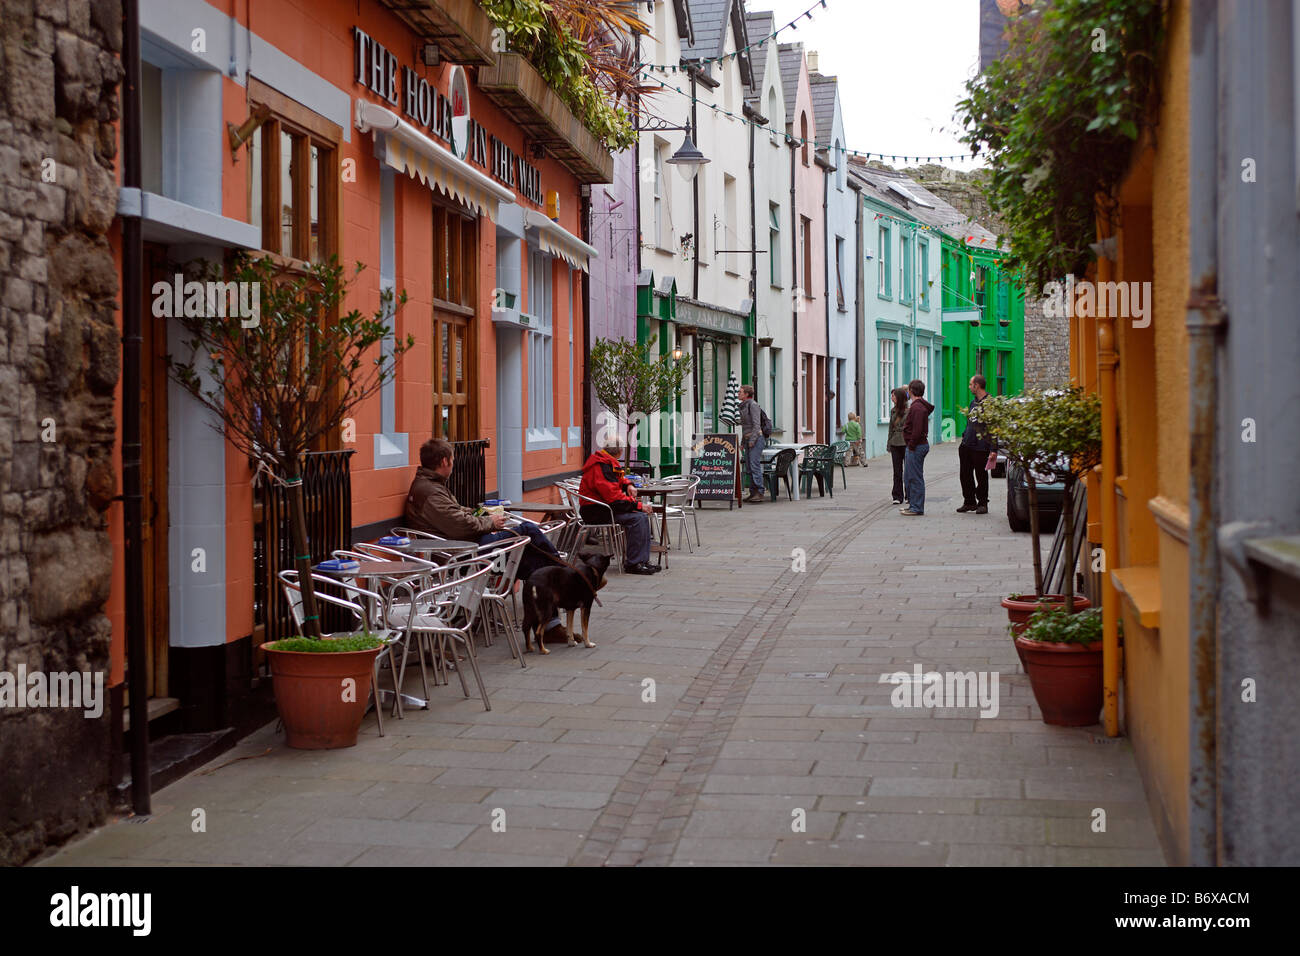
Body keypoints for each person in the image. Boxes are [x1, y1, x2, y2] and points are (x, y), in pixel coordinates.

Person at [405, 437, 566, 583]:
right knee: (528, 530)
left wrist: (481, 513)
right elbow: (459, 524)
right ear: (445, 461)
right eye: (453, 460)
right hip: (462, 553)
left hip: (463, 546)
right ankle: (563, 576)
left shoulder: (430, 485)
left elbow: (455, 512)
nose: (454, 465)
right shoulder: (430, 491)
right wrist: (490, 522)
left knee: (525, 559)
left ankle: (550, 586)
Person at [579, 442, 661, 575]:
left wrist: (628, 484)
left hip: (601, 508)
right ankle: (634, 563)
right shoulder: (602, 466)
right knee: (638, 519)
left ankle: (642, 561)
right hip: (596, 511)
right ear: (619, 453)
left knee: (641, 517)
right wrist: (638, 506)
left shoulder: (604, 462)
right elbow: (614, 498)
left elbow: (618, 480)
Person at [957, 375, 998, 515]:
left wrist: (993, 449)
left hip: (981, 447)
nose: (969, 387)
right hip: (967, 445)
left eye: (970, 384)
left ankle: (982, 503)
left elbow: (994, 427)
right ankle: (969, 502)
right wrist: (964, 435)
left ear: (977, 385)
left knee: (981, 475)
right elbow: (970, 422)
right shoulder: (973, 403)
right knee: (965, 475)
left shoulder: (990, 403)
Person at [900, 379, 934, 516]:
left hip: (916, 446)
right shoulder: (917, 406)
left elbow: (918, 429)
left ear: (912, 391)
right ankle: (913, 505)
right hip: (915, 445)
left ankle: (917, 507)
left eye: (908, 389)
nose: (907, 392)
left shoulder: (917, 408)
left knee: (915, 477)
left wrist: (912, 445)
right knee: (909, 476)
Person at [738, 384, 767, 502]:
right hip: (748, 440)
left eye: (740, 392)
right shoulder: (743, 406)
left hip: (756, 439)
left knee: (754, 465)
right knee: (749, 467)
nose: (738, 394)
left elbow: (756, 425)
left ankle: (760, 492)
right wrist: (742, 442)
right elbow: (745, 428)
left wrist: (752, 440)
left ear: (746, 394)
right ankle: (752, 492)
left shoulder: (753, 405)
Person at [888, 387, 909, 505]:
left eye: (893, 395)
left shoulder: (908, 410)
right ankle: (897, 495)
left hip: (905, 443)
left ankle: (908, 495)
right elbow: (890, 428)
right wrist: (889, 443)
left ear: (899, 397)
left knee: (908, 471)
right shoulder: (893, 411)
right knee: (897, 471)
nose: (892, 397)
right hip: (895, 443)